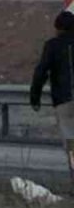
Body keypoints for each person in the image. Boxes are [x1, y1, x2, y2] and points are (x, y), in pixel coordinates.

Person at [31, 10, 74, 182]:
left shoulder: (52, 46)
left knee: (72, 144)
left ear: (58, 28)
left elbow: (41, 72)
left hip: (64, 101)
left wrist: (35, 97)